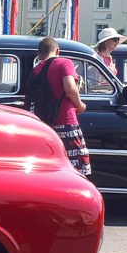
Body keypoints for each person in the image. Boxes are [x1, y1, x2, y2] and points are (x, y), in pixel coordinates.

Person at [32, 37, 90, 176]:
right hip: (66, 120)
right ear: (58, 50)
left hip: (44, 124)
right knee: (76, 166)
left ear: (39, 54)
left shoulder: (35, 70)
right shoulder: (64, 63)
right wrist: (80, 105)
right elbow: (70, 88)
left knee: (50, 165)